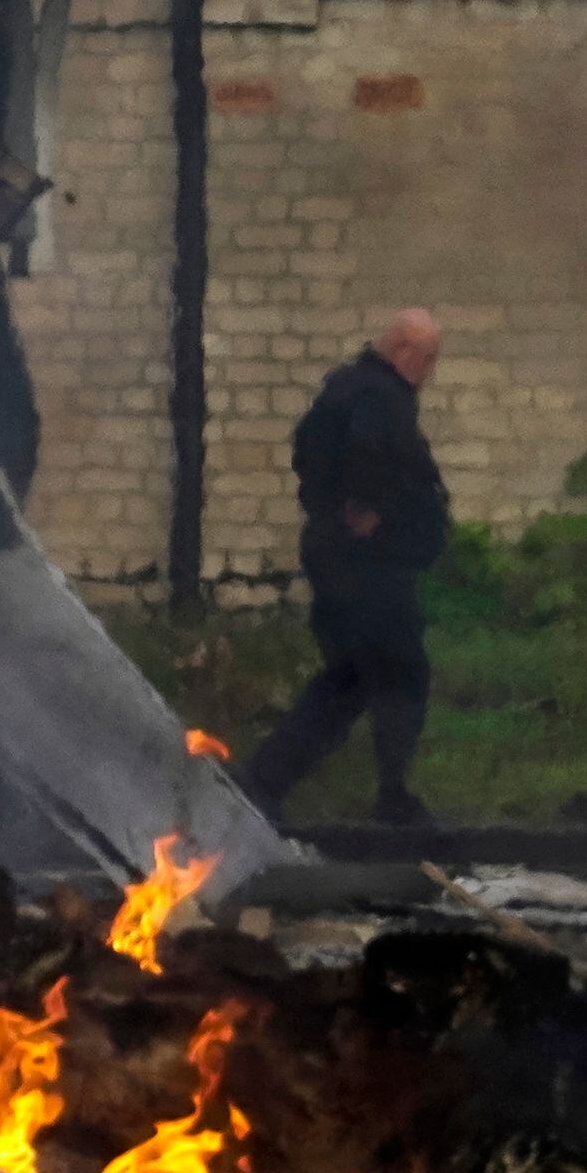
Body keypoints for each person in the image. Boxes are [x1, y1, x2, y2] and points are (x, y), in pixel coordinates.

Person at [238, 309, 450, 826]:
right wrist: (367, 507)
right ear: (404, 352)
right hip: (369, 568)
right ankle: (392, 797)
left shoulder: (348, 387)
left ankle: (262, 782)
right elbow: (372, 454)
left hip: (344, 560)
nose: (429, 370)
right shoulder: (377, 397)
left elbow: (308, 451)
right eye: (427, 358)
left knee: (352, 678)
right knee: (399, 675)